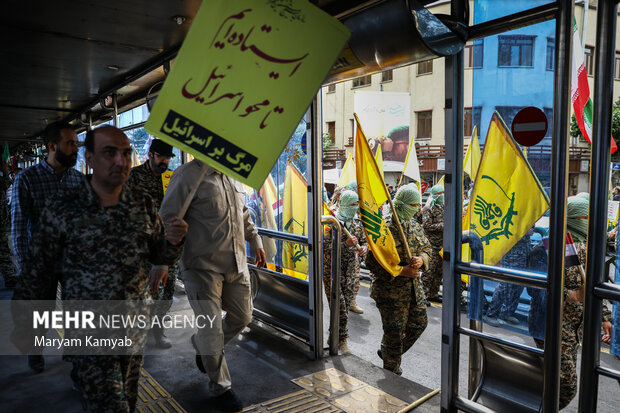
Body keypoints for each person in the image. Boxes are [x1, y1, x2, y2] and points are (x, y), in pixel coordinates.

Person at [12, 125, 187, 412]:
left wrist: (175, 240)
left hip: (133, 329)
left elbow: (158, 253)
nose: (121, 161)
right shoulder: (63, 208)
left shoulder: (141, 204)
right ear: (90, 158)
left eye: (126, 153)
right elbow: (37, 273)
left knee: (129, 401)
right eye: (109, 153)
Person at [159, 159, 266, 413]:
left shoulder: (233, 175)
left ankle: (203, 345)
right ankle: (221, 387)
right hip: (201, 266)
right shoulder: (186, 176)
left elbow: (243, 214)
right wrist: (165, 253)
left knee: (243, 317)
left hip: (236, 262)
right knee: (212, 329)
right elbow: (166, 217)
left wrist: (256, 241)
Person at [11, 122, 82, 373]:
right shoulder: (27, 179)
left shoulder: (78, 179)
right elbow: (18, 227)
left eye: (76, 143)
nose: (76, 148)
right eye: (70, 143)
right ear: (52, 146)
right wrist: (24, 268)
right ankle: (36, 349)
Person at [530, 196, 612, 409]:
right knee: (566, 387)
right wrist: (569, 295)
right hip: (552, 327)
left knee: (555, 383)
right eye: (585, 218)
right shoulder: (550, 248)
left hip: (574, 329)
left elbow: (590, 286)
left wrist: (604, 317)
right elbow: (534, 288)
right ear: (575, 219)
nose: (588, 223)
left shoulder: (582, 247)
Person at [366, 186, 432, 375]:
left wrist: (422, 260)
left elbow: (427, 248)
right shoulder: (384, 228)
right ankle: (391, 372)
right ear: (403, 204)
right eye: (414, 204)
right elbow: (371, 262)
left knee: (419, 323)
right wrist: (401, 271)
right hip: (391, 291)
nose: (417, 208)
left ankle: (388, 352)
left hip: (414, 290)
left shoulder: (414, 225)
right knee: (394, 332)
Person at [127, 138, 177, 348]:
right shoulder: (134, 177)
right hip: (143, 247)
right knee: (146, 292)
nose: (165, 161)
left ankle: (158, 329)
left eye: (167, 158)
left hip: (167, 246)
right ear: (150, 155)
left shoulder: (172, 178)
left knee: (168, 290)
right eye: (161, 157)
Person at [323, 190, 366, 351]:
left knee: (345, 307)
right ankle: (342, 340)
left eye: (357, 205)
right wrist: (345, 245)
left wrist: (363, 250)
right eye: (352, 204)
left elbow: (364, 242)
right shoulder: (330, 223)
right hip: (332, 272)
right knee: (339, 308)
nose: (355, 208)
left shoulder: (356, 223)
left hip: (350, 272)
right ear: (345, 204)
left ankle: (333, 336)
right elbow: (324, 248)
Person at [483, 231, 532, 326]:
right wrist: (525, 231)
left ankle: (506, 313)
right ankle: (491, 314)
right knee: (505, 285)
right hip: (512, 252)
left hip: (524, 251)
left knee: (518, 285)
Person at [422, 184, 444, 301]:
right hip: (432, 246)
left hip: (442, 246)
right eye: (440, 193)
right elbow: (426, 225)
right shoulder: (428, 209)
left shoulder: (444, 207)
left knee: (438, 272)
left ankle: (433, 294)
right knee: (428, 272)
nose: (443, 196)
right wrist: (443, 226)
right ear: (435, 195)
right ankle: (423, 296)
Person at [0, 160, 17, 288]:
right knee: (4, 249)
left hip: (2, 221)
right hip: (1, 221)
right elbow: (7, 182)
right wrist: (5, 171)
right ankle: (10, 277)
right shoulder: (2, 181)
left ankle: (10, 276)